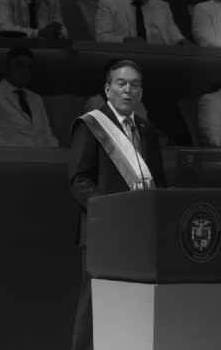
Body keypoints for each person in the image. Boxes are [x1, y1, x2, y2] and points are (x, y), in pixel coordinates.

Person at [69, 59, 166, 350]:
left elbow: (158, 180)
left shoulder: (147, 130)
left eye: (134, 85)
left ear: (141, 93)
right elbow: (78, 179)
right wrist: (111, 213)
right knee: (95, 307)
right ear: (107, 89)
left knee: (131, 307)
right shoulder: (91, 125)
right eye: (121, 84)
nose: (127, 91)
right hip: (103, 232)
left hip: (140, 234)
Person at [0, 46, 60, 147]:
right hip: (11, 158)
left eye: (29, 67)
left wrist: (54, 154)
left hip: (43, 157)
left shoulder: (36, 98)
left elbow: (48, 135)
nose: (24, 71)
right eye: (19, 65)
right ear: (6, 67)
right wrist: (19, 156)